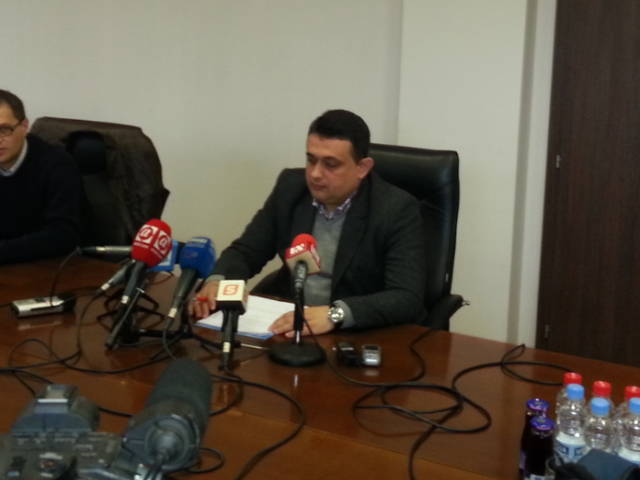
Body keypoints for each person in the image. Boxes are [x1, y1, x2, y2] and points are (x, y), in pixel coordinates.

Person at [191, 109, 427, 337]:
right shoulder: (291, 188)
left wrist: (335, 315)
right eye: (311, 160)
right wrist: (217, 281)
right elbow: (246, 251)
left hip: (354, 332)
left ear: (362, 168)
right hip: (287, 321)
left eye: (330, 164)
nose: (315, 174)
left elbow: (406, 297)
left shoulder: (395, 209)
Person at [0, 89, 81, 265]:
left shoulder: (57, 165)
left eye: (4, 130)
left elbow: (63, 235)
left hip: (53, 267)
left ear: (24, 127)